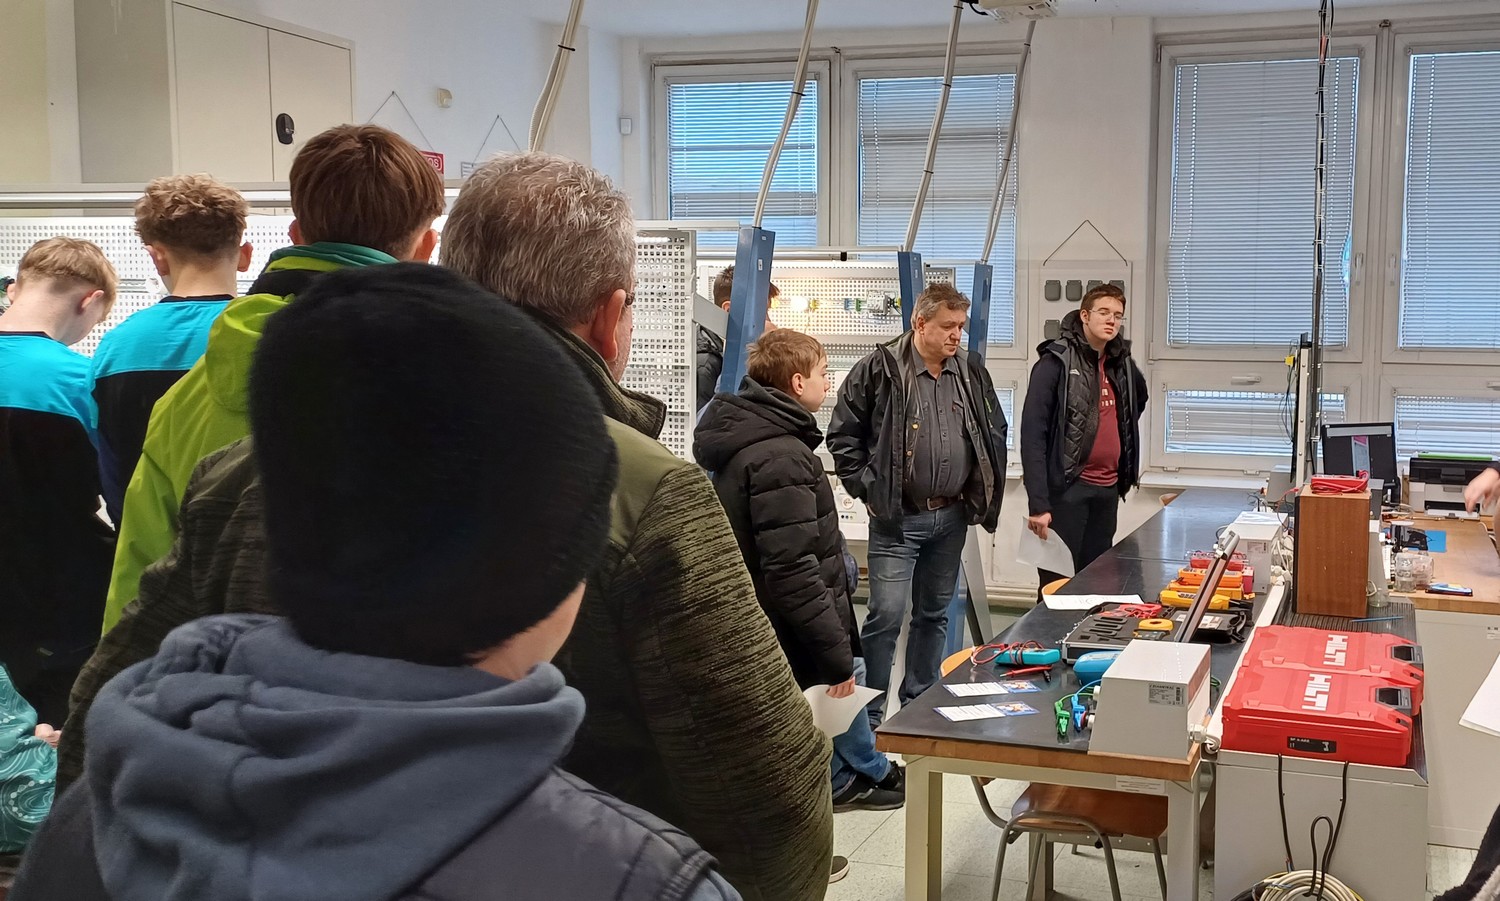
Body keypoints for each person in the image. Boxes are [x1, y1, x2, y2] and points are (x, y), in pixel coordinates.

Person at [58, 151, 832, 901]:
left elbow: (110, 704)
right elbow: (769, 802)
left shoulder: (258, 461)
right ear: (610, 315)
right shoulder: (642, 489)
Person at [98, 123, 444, 635]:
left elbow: (139, 582)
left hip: (216, 673)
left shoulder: (183, 402)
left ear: (296, 235)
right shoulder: (455, 380)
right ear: (427, 245)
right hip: (391, 673)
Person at [694, 328, 904, 824]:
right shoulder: (780, 457)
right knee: (838, 681)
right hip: (794, 615)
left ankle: (862, 769)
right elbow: (792, 569)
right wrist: (833, 652)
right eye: (822, 374)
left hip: (788, 609)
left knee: (839, 680)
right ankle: (842, 780)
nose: (828, 383)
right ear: (795, 382)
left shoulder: (763, 441)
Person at [827, 282, 1008, 726]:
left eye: (960, 326)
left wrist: (979, 491)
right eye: (947, 326)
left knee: (934, 615)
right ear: (919, 323)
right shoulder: (879, 368)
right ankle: (868, 718)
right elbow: (843, 436)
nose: (956, 335)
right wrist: (868, 490)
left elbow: (994, 429)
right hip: (898, 519)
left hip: (951, 517)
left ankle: (918, 708)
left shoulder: (969, 371)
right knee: (885, 616)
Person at [90, 174, 253, 526]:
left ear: (157, 258)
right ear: (245, 256)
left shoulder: (116, 347)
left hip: (151, 547)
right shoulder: (265, 333)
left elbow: (113, 472)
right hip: (248, 546)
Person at [0, 237, 117, 725]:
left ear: (14, 289)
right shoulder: (82, 382)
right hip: (54, 609)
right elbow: (117, 492)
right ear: (89, 301)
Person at [1020, 283, 1148, 589]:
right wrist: (1038, 504)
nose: (1111, 320)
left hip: (1107, 491)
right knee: (1058, 585)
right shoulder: (1055, 362)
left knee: (1097, 583)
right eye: (1104, 312)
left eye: (1118, 315)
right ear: (1085, 316)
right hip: (1066, 491)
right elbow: (1033, 435)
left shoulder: (1121, 362)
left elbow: (1137, 402)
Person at [696, 265, 778, 411]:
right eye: (762, 313)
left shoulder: (725, 352)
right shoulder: (706, 365)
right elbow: (706, 422)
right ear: (729, 309)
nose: (769, 321)